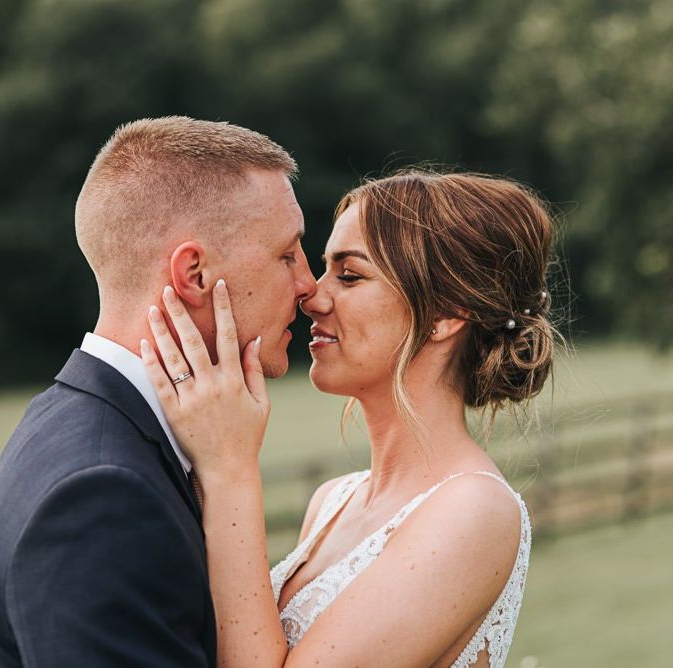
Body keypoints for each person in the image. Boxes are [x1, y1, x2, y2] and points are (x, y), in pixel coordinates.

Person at [142, 170, 556, 667]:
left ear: (446, 314)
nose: (312, 296)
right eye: (324, 270)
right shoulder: (331, 502)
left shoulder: (475, 511)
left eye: (350, 275)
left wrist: (229, 467)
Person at [0, 116, 316, 666]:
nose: (307, 285)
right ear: (193, 274)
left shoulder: (74, 422)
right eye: (287, 254)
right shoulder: (101, 496)